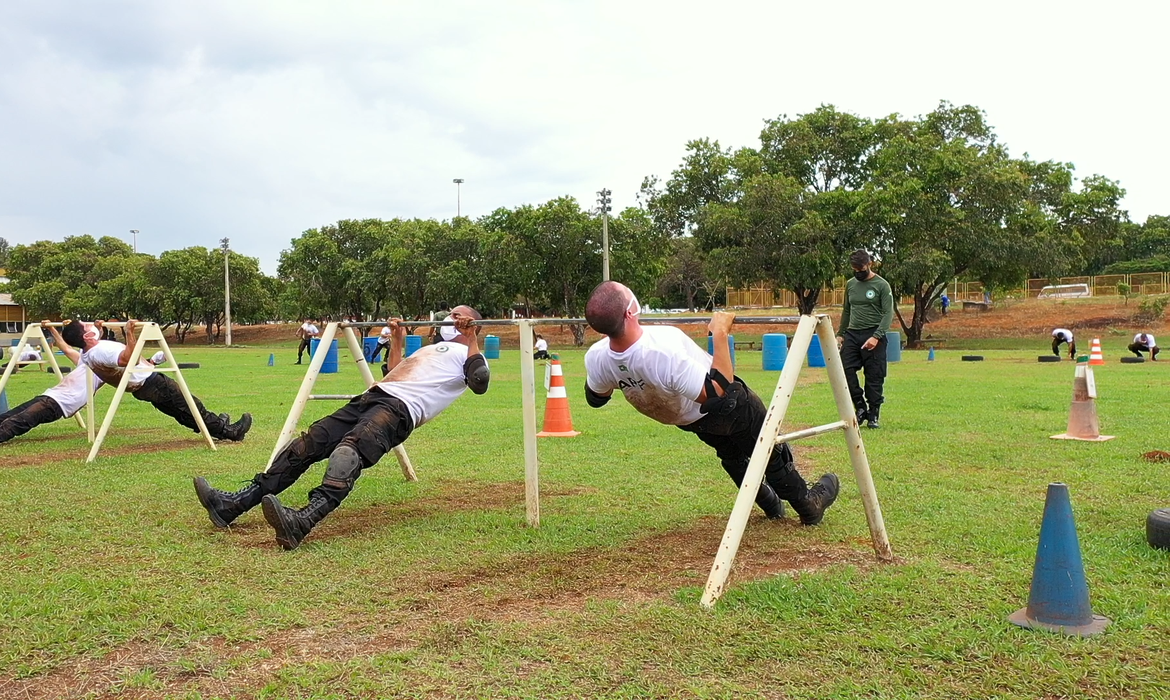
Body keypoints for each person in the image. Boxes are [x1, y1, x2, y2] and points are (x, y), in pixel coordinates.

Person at [193, 305, 491, 550]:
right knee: (305, 445)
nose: (450, 319)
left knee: (347, 454)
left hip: (400, 410)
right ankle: (232, 505)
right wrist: (398, 339)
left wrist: (472, 338)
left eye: (457, 316)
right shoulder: (434, 349)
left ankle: (301, 522)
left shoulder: (470, 356)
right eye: (451, 314)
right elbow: (393, 371)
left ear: (471, 325)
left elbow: (480, 383)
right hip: (372, 397)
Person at [582, 282, 839, 526]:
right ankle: (807, 505)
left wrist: (628, 379)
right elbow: (718, 392)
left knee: (731, 453)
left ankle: (770, 504)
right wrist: (719, 333)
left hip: (689, 420)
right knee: (768, 446)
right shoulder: (662, 350)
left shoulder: (596, 357)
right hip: (723, 407)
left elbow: (596, 398)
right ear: (630, 311)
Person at [58, 319, 252, 441]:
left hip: (141, 388)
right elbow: (126, 359)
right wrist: (130, 333)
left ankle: (215, 427)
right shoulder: (100, 351)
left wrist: (99, 328)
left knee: (180, 411)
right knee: (191, 405)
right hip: (151, 382)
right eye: (86, 325)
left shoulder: (87, 352)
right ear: (86, 335)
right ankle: (229, 431)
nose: (89, 324)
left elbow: (98, 344)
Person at [0, 331, 103, 444]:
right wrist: (52, 329)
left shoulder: (104, 373)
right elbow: (66, 348)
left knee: (19, 421)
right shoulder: (84, 362)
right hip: (48, 396)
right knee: (9, 415)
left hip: (59, 404)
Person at [837, 250, 895, 429]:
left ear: (869, 264)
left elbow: (888, 313)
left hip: (874, 333)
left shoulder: (881, 285)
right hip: (852, 334)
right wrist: (841, 333)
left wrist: (876, 336)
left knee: (874, 375)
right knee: (844, 370)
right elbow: (847, 310)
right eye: (854, 269)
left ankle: (873, 413)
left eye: (860, 268)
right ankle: (860, 406)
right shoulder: (851, 284)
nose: (857, 272)